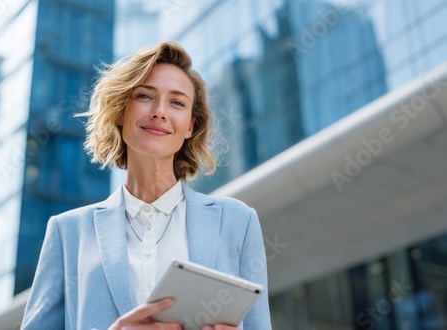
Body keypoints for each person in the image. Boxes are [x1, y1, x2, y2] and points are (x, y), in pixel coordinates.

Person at [21, 41, 272, 330]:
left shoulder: (238, 221)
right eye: (144, 96)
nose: (160, 111)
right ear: (120, 111)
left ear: (190, 126)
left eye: (177, 102)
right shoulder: (68, 232)